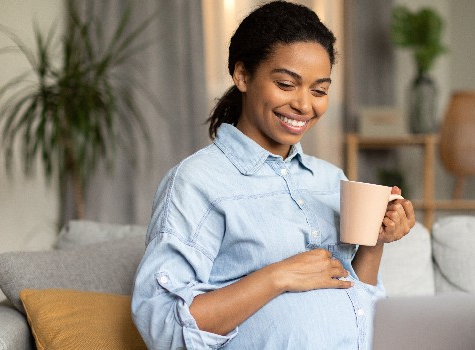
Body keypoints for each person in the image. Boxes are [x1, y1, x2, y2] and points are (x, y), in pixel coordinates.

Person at [131, 1, 416, 349]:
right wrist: (277, 276)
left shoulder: (329, 180)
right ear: (242, 75)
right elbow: (162, 326)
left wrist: (375, 243)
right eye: (286, 84)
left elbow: (355, 293)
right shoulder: (196, 182)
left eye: (319, 90)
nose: (304, 105)